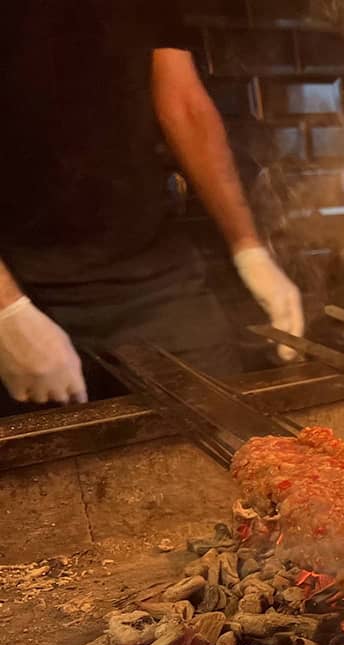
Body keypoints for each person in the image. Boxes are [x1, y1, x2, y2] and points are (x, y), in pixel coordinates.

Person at [0, 2, 304, 414]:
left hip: (157, 277)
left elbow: (183, 104)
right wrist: (6, 312)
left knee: (232, 436)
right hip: (24, 283)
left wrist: (247, 247)